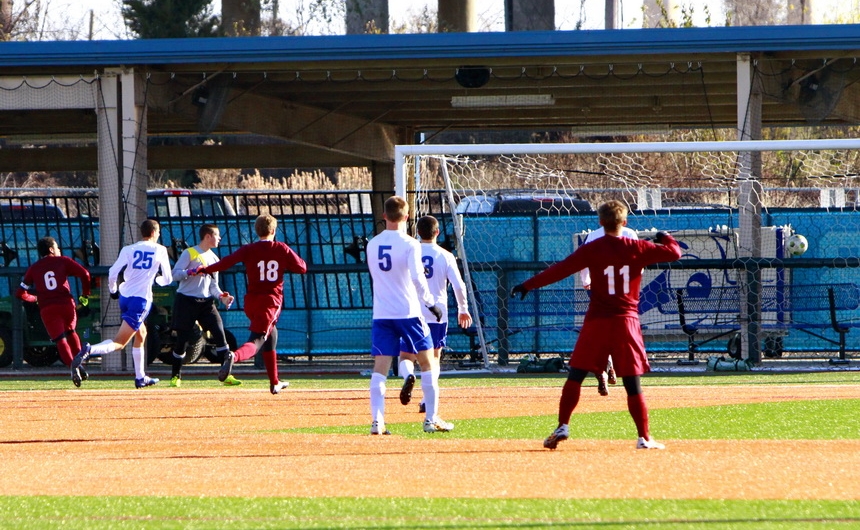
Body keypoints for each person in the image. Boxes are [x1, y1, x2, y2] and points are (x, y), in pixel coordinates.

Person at [511, 200, 681, 450]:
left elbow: (560, 270)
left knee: (576, 374)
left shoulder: (592, 247)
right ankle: (644, 438)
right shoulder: (637, 247)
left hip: (597, 320)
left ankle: (563, 425)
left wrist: (527, 285)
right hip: (626, 321)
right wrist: (665, 237)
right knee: (632, 382)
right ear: (624, 222)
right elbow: (674, 253)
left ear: (600, 222)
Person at [193, 214, 307, 395]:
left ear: (257, 230)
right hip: (270, 302)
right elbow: (302, 267)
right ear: (273, 231)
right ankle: (234, 356)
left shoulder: (249, 249)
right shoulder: (280, 248)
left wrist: (205, 269)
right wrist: (284, 264)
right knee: (257, 340)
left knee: (270, 337)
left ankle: (275, 382)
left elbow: (226, 262)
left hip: (251, 302)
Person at [366, 197, 449, 435]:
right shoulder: (411, 243)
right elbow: (417, 278)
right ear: (407, 216)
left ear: (384, 216)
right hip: (409, 313)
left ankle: (377, 422)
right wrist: (431, 304)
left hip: (382, 314)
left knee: (380, 367)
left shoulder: (372, 244)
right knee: (428, 362)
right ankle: (431, 419)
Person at [71, 219, 173, 388]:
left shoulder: (128, 249)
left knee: (141, 333)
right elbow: (167, 278)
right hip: (140, 300)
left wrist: (113, 291)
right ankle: (89, 350)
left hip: (124, 297)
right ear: (155, 232)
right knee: (119, 343)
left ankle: (141, 377)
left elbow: (113, 272)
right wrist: (157, 279)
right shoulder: (160, 250)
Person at [397, 215, 472, 416]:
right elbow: (458, 285)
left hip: (411, 311)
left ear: (417, 233)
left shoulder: (409, 252)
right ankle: (425, 400)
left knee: (406, 355)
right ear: (437, 232)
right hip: (437, 313)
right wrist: (463, 309)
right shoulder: (445, 255)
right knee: (434, 357)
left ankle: (408, 375)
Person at [168, 224, 239, 387]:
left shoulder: (215, 259)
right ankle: (175, 376)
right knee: (182, 341)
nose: (219, 239)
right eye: (217, 235)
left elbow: (213, 285)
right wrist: (191, 272)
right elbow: (174, 274)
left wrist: (222, 297)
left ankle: (226, 374)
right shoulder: (190, 253)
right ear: (208, 236)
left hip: (206, 303)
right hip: (186, 301)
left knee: (220, 335)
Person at [15, 237, 91, 374]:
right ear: (51, 249)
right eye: (57, 247)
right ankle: (80, 363)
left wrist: (34, 299)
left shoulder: (34, 268)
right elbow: (85, 274)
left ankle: (74, 368)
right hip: (66, 304)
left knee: (60, 340)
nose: (59, 250)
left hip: (47, 308)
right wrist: (85, 295)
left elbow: (20, 293)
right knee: (71, 332)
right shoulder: (63, 261)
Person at [579, 225, 639, 397]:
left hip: (600, 291)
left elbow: (583, 262)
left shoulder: (594, 235)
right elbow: (638, 261)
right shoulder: (629, 233)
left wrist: (586, 281)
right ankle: (615, 367)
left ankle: (605, 369)